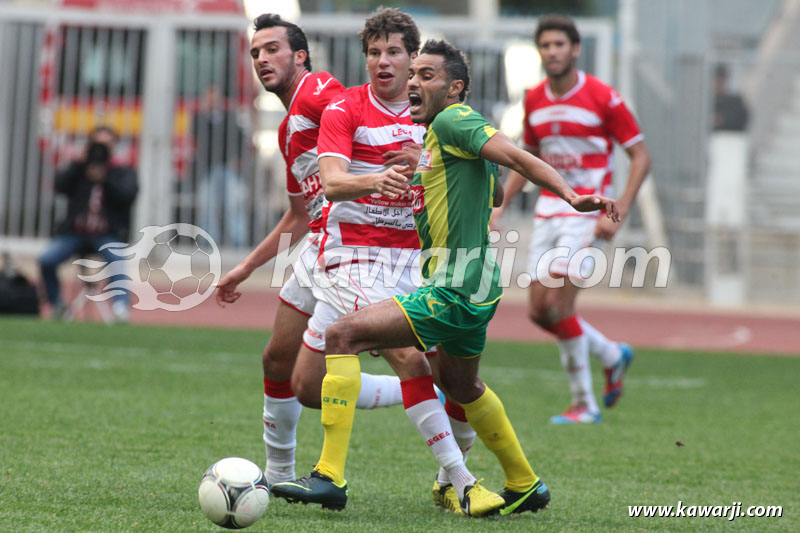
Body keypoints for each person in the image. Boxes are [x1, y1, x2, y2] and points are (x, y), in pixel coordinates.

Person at [273, 37, 618, 516]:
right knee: (461, 386)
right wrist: (430, 169)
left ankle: (329, 476)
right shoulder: (438, 138)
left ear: (455, 88)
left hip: (453, 287)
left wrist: (571, 195)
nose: (413, 82)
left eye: (426, 76)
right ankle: (524, 482)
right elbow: (494, 193)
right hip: (476, 287)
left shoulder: (456, 119)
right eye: (413, 75)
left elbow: (515, 156)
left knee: (342, 334)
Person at [272, 10, 508, 517]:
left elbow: (492, 186)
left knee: (448, 374)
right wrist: (376, 178)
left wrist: (448, 173)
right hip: (356, 255)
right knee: (312, 384)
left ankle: (458, 479)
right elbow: (333, 182)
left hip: (419, 262)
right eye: (374, 52)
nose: (383, 61)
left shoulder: (436, 116)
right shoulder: (345, 109)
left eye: (394, 52)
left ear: (414, 60)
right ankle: (463, 480)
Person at [215, 13, 406, 487]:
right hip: (317, 242)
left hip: (358, 245)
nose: (262, 58)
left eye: (273, 49)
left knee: (410, 360)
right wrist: (244, 268)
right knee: (282, 366)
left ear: (299, 56)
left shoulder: (319, 90)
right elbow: (298, 215)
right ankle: (278, 477)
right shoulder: (286, 132)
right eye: (256, 52)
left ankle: (441, 421)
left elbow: (362, 118)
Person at [493, 15, 651, 424]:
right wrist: (501, 205)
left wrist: (619, 212)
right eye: (545, 45)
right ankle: (612, 355)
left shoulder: (603, 97)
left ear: (575, 49)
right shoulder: (534, 100)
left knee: (560, 307)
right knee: (538, 312)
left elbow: (641, 157)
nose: (552, 52)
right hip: (549, 211)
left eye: (559, 44)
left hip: (588, 214)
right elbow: (522, 161)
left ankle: (585, 404)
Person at [39, 126, 138, 322]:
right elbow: (59, 185)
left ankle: (120, 307)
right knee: (46, 260)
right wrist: (79, 165)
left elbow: (128, 196)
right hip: (76, 234)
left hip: (107, 234)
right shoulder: (79, 169)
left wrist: (105, 179)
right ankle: (57, 304)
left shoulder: (122, 171)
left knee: (117, 259)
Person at [193, 84, 249, 247]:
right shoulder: (199, 118)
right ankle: (209, 241)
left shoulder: (229, 117)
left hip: (227, 167)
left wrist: (237, 158)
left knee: (233, 205)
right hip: (207, 167)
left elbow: (239, 138)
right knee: (208, 206)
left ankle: (238, 241)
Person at [713, 64, 749, 131]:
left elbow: (741, 120)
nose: (718, 85)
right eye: (716, 81)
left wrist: (722, 120)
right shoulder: (705, 104)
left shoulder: (736, 103)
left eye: (720, 81)